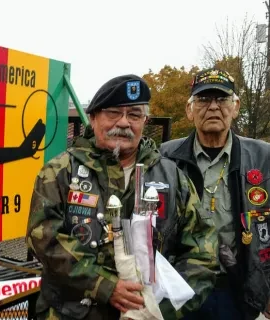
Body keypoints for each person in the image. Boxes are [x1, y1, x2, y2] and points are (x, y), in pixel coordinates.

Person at [25, 74, 218, 320]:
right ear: (93, 118)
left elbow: (204, 249)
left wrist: (161, 311)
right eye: (113, 113)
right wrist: (104, 285)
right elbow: (42, 238)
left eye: (134, 115)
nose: (124, 123)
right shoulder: (60, 171)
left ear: (144, 121)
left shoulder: (171, 177)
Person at [159, 68, 270, 320]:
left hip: (237, 288)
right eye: (203, 100)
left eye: (221, 99)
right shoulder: (165, 157)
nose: (213, 107)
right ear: (190, 110)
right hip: (179, 287)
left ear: (236, 106)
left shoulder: (263, 158)